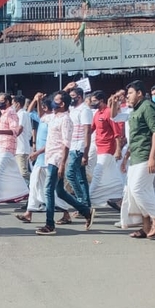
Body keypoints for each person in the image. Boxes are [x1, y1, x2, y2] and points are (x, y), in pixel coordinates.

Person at [35, 91, 95, 236]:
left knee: (48, 189)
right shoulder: (54, 117)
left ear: (62, 104)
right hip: (50, 157)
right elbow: (41, 116)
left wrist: (62, 164)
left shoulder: (66, 120)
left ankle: (50, 224)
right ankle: (86, 211)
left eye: (55, 101)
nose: (52, 103)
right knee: (60, 191)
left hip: (57, 158)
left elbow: (66, 144)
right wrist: (38, 101)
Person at [16, 93, 72, 224]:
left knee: (51, 191)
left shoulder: (56, 120)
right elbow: (30, 113)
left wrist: (37, 153)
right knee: (35, 186)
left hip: (50, 159)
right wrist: (36, 100)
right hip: (43, 159)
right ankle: (29, 212)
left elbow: (56, 143)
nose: (41, 109)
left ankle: (65, 213)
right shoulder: (47, 119)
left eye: (43, 106)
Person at [120, 81, 155, 239]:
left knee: (137, 189)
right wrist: (126, 157)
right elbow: (134, 137)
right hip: (136, 156)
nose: (128, 96)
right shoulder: (135, 110)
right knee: (139, 192)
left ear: (139, 93)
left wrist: (153, 157)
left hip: (146, 156)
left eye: (130, 93)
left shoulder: (147, 106)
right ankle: (146, 228)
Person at [0, 94, 29, 213]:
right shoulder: (5, 112)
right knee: (13, 175)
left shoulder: (11, 113)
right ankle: (29, 195)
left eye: (2, 101)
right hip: (3, 148)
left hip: (8, 148)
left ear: (8, 102)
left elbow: (15, 131)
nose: (0, 103)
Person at [87, 90, 125, 210]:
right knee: (114, 176)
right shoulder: (97, 113)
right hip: (99, 148)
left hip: (108, 148)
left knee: (97, 174)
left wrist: (118, 149)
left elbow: (117, 133)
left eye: (94, 101)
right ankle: (122, 196)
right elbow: (91, 130)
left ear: (101, 100)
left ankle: (86, 202)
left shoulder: (109, 112)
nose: (92, 103)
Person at [65, 85, 93, 209]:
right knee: (80, 177)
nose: (71, 99)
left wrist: (85, 153)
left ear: (79, 97)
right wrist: (67, 88)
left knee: (70, 174)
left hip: (79, 147)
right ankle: (85, 203)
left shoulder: (84, 110)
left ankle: (80, 201)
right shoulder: (72, 109)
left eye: (73, 96)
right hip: (72, 145)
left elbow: (87, 131)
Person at [13, 95, 33, 183]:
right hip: (17, 148)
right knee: (17, 173)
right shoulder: (17, 114)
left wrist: (10, 136)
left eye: (12, 103)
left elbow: (20, 129)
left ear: (17, 104)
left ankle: (38, 181)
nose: (12, 105)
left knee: (23, 173)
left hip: (22, 148)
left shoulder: (22, 114)